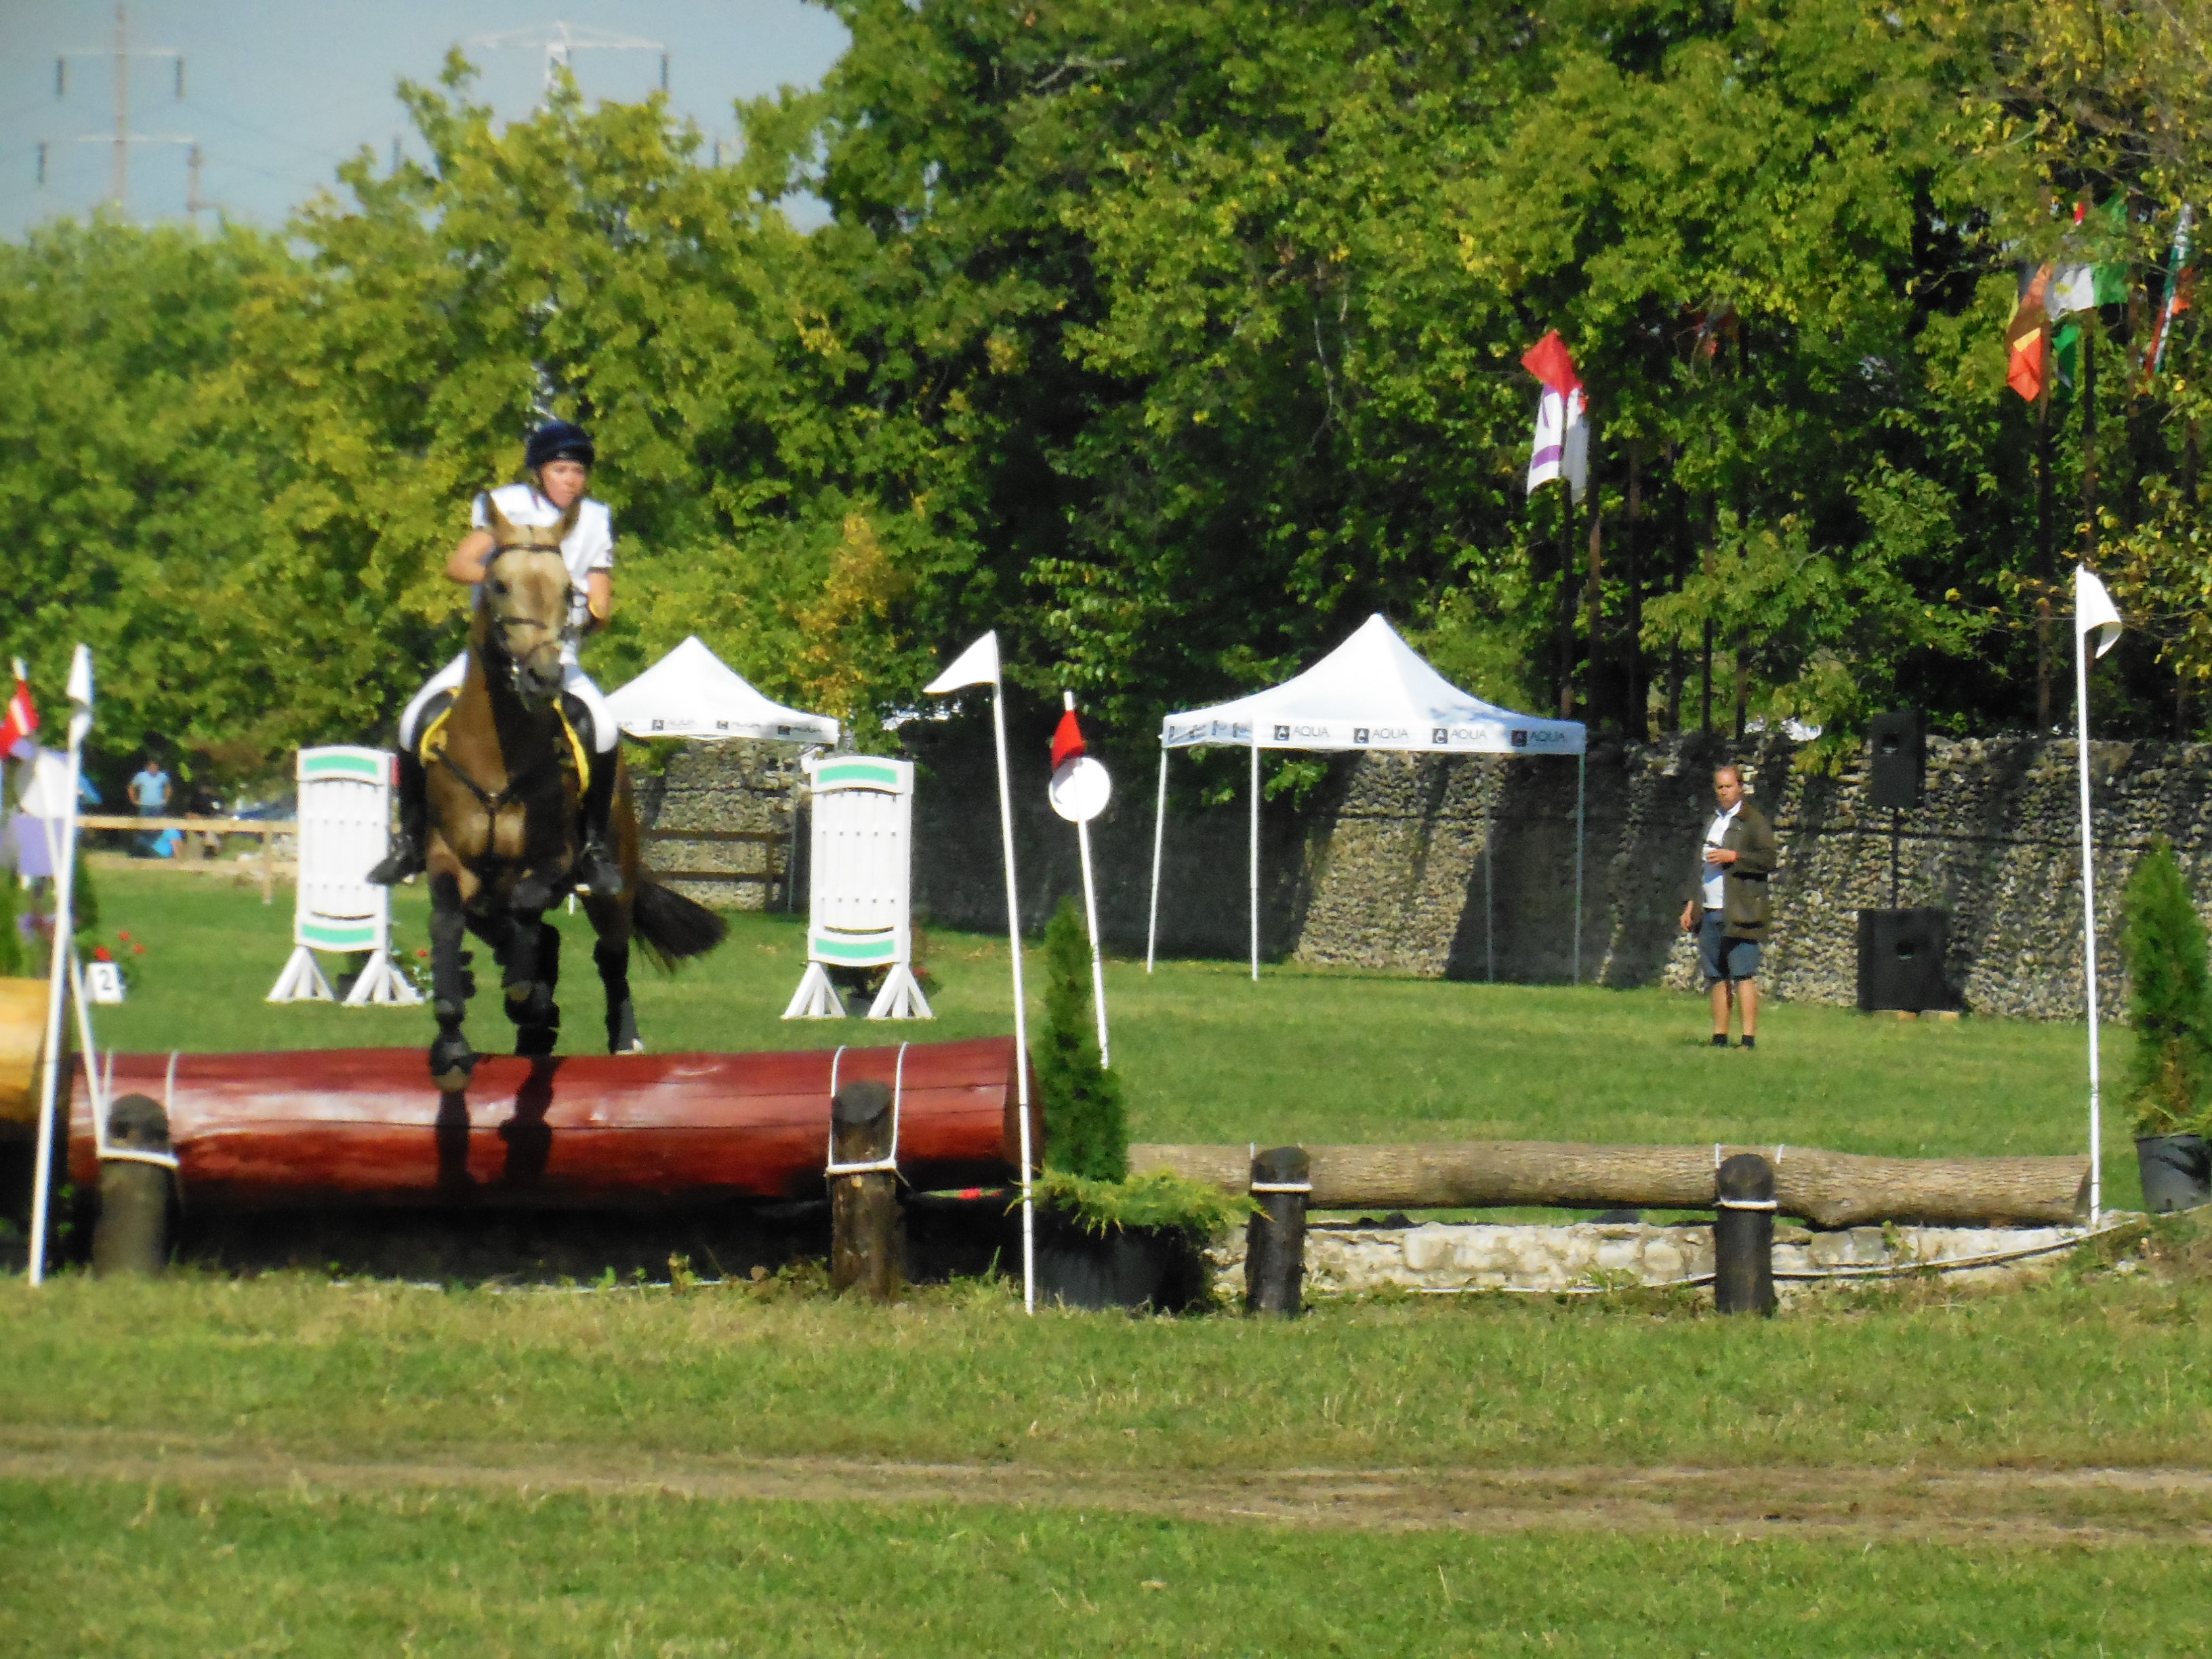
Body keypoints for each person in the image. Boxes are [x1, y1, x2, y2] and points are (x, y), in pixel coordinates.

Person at [369, 419, 623, 894]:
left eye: (578, 472)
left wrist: (593, 607)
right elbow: (459, 563)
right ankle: (409, 841)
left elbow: (602, 595)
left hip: (555, 653)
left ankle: (593, 850)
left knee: (604, 731)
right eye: (562, 470)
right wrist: (510, 582)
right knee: (412, 720)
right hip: (493, 652)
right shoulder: (506, 505)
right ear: (541, 473)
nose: (572, 480)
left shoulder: (595, 518)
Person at [1677, 762, 1777, 1048]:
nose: (1724, 792)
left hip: (1740, 911)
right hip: (1708, 910)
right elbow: (1698, 867)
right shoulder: (1713, 821)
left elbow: (1769, 860)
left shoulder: (1753, 821)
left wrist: (1735, 856)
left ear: (1741, 788)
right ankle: (1719, 1037)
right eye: (1719, 787)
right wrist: (1691, 905)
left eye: (1729, 786)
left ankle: (1748, 1039)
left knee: (1743, 974)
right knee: (1717, 976)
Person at [127, 755, 170, 858]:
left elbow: (168, 787)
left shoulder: (162, 776)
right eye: (152, 767)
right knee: (144, 829)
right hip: (145, 806)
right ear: (148, 768)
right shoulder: (141, 776)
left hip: (158, 806)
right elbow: (131, 787)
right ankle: (140, 851)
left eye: (156, 767)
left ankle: (154, 852)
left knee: (156, 830)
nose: (154, 769)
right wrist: (134, 800)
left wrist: (166, 800)